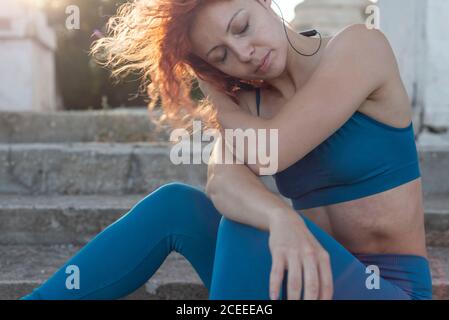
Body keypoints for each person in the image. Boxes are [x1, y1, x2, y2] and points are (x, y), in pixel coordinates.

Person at [20, 0, 432, 300]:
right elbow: (222, 184)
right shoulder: (248, 106)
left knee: (245, 224)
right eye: (222, 56)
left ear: (264, 2)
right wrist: (278, 217)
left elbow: (273, 150)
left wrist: (217, 97)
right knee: (176, 205)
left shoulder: (360, 47)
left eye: (242, 26)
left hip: (388, 288)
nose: (245, 53)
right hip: (302, 278)